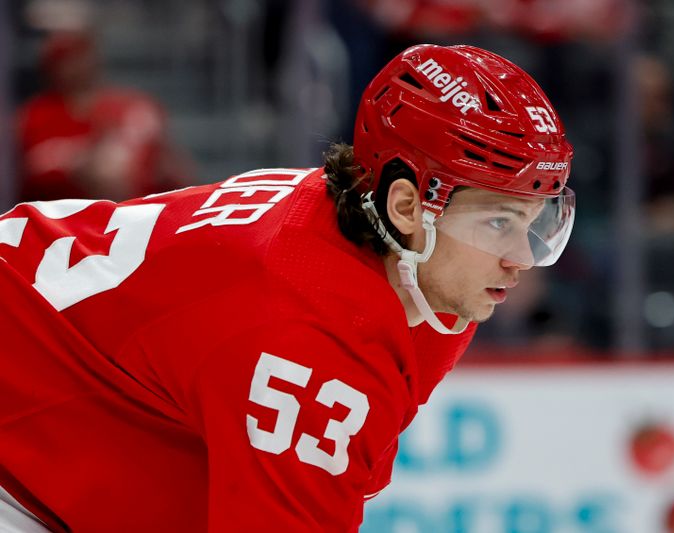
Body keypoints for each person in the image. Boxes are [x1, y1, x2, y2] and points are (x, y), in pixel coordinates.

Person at [0, 44, 574, 532]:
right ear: (405, 206)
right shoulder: (313, 342)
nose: (521, 259)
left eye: (534, 222)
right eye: (499, 222)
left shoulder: (410, 258)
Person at [16, 31, 190, 203]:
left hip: (139, 213)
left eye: (81, 55)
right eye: (67, 58)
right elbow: (36, 171)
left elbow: (172, 166)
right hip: (69, 218)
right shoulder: (37, 113)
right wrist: (83, 162)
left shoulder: (134, 106)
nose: (76, 65)